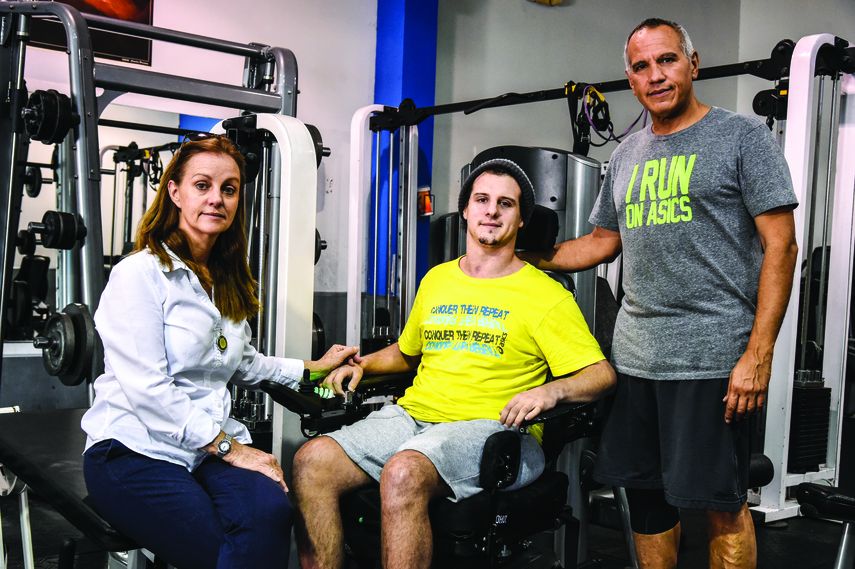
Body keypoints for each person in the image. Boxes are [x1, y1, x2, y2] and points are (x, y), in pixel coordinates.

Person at [526, 18, 799, 569]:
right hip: (635, 361)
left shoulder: (742, 138)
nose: (657, 75)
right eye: (643, 66)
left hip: (710, 359)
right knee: (646, 500)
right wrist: (525, 256)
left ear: (692, 64)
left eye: (668, 60)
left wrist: (758, 353)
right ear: (630, 78)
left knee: (721, 505)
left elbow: (783, 248)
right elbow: (603, 242)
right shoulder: (626, 153)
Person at [292, 158, 616, 569]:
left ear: (520, 220)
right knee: (311, 462)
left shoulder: (545, 295)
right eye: (481, 199)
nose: (491, 211)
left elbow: (601, 375)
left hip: (495, 429)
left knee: (404, 471)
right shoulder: (437, 279)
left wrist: (551, 390)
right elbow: (410, 353)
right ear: (465, 210)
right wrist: (364, 364)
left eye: (505, 203)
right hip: (414, 418)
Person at [81, 134, 358, 569]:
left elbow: (242, 361)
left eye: (228, 189)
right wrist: (231, 449)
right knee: (218, 549)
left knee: (271, 512)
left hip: (205, 450)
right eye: (202, 185)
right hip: (134, 448)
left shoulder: (223, 279)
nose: (216, 199)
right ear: (174, 191)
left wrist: (314, 370)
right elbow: (149, 389)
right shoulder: (139, 275)